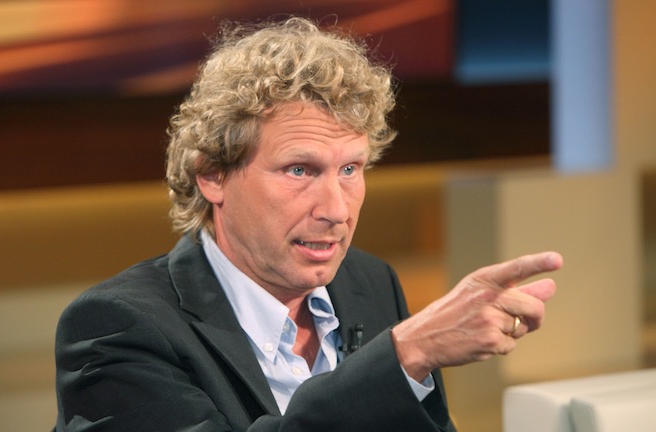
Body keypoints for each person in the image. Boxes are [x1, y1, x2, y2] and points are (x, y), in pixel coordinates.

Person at [54, 17, 563, 432]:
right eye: (300, 170)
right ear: (212, 175)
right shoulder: (116, 327)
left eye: (350, 169)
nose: (336, 210)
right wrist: (406, 355)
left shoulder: (370, 283)